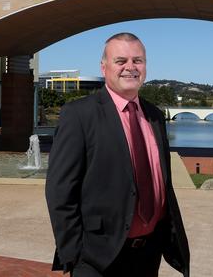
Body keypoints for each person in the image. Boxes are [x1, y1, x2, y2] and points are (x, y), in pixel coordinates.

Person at [45, 32, 190, 277]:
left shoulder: (155, 115)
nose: (130, 67)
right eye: (120, 61)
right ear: (104, 67)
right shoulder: (80, 115)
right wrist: (75, 255)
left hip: (148, 254)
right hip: (98, 258)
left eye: (138, 61)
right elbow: (60, 191)